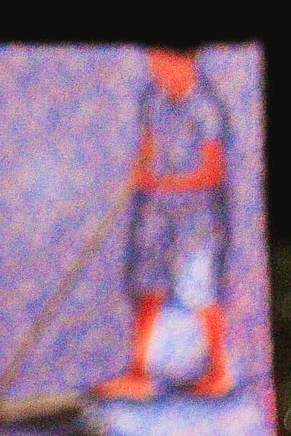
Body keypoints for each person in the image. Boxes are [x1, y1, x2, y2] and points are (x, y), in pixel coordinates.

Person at [95, 46, 233, 400]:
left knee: (200, 291)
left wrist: (160, 182)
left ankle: (219, 372)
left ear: (185, 61)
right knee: (147, 286)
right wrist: (140, 171)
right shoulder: (153, 99)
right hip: (156, 212)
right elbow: (148, 147)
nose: (156, 70)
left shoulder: (206, 108)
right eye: (153, 63)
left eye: (163, 63)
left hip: (196, 218)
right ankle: (139, 374)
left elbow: (213, 174)